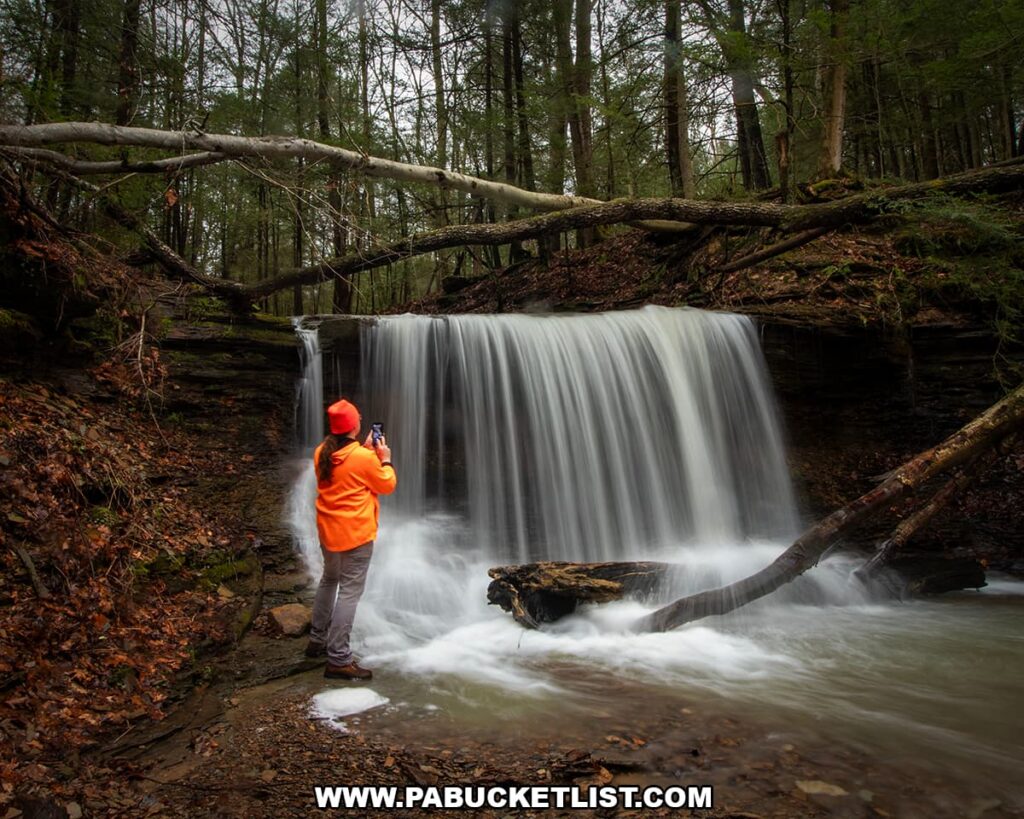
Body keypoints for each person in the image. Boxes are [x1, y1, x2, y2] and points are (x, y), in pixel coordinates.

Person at [308, 398, 396, 680]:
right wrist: (384, 459)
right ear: (354, 425)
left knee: (329, 580)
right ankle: (338, 658)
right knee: (349, 592)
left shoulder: (321, 452)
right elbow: (386, 484)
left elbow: (349, 473)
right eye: (358, 416)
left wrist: (366, 451)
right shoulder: (363, 457)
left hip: (328, 532)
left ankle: (316, 640)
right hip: (356, 535)